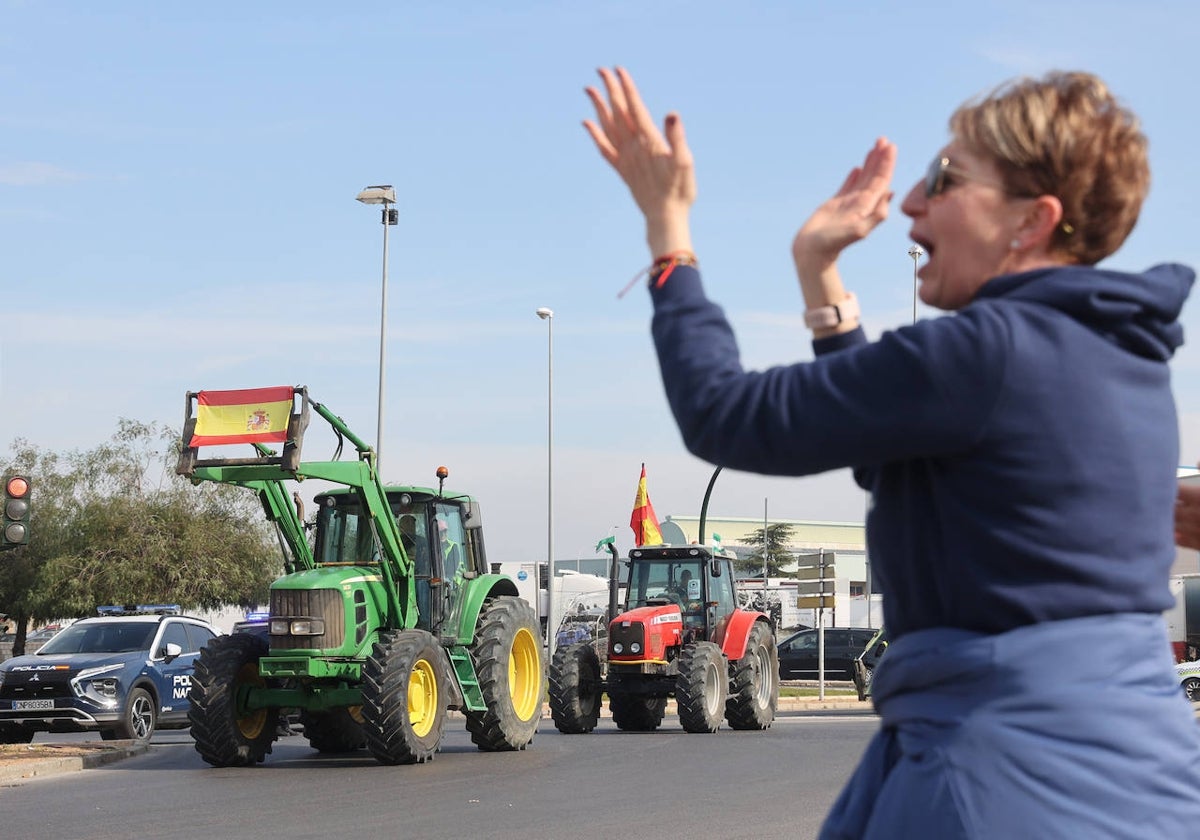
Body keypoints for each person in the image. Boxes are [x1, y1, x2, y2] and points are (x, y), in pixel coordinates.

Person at [584, 66, 1200, 837]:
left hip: (999, 777)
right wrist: (820, 269)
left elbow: (721, 414)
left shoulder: (984, 355)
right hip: (1130, 766)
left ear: (1032, 220)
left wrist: (667, 231)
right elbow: (897, 449)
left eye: (945, 179)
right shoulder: (1119, 357)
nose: (910, 203)